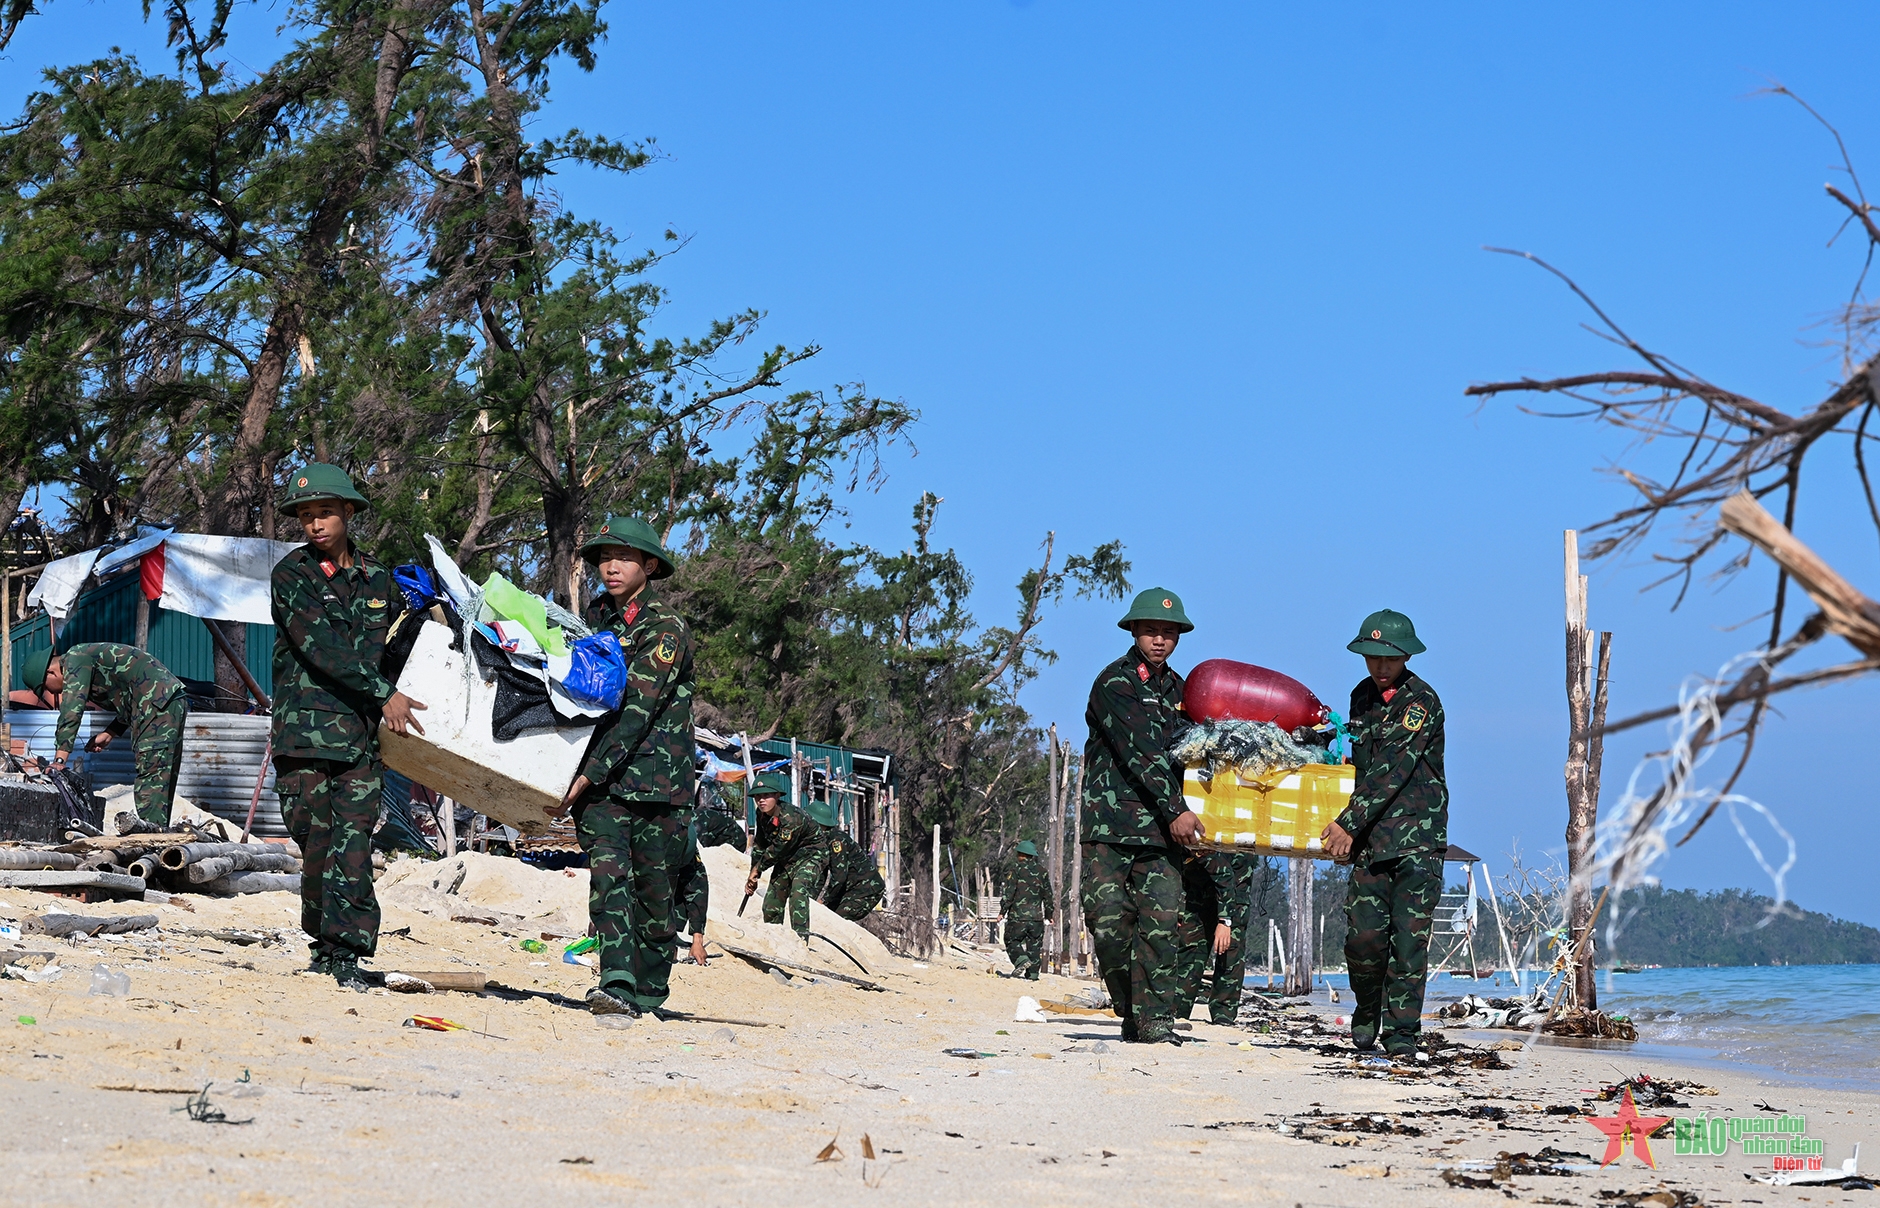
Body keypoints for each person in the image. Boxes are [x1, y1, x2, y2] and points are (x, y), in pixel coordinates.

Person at [270, 463, 427, 989]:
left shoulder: (379, 578)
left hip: (360, 738)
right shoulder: (292, 576)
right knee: (317, 841)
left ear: (349, 513)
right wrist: (386, 695)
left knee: (354, 845)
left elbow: (391, 651)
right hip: (307, 734)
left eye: (325, 513)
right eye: (306, 516)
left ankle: (348, 951)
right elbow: (323, 648)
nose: (315, 524)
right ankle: (323, 942)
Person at [551, 515, 696, 1018]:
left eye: (624, 557)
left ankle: (649, 991)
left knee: (656, 897)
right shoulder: (588, 624)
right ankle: (615, 982)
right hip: (602, 788)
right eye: (602, 558)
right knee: (609, 878)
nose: (610, 566)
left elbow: (638, 708)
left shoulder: (666, 629)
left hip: (658, 783)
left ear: (650, 565)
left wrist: (586, 773)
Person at [1319, 609, 1448, 1058]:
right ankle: (1367, 1009)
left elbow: (1393, 769)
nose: (1379, 665)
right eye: (1372, 656)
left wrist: (1346, 823)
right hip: (1371, 842)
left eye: (1389, 657)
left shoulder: (1421, 703)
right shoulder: (1361, 697)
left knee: (1409, 942)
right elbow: (1358, 769)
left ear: (1407, 655)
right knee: (1363, 939)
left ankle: (1401, 1034)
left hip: (1416, 840)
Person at [1080, 587, 1205, 1045]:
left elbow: (1202, 748)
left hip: (1161, 835)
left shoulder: (1184, 692)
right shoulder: (1114, 683)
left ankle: (1155, 1024)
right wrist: (1176, 808)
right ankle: (1128, 1006)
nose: (1160, 640)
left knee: (1160, 926)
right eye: (1151, 630)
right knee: (1109, 921)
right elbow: (1141, 752)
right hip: (1110, 827)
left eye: (1169, 633)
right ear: (1134, 631)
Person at [28, 643, 187, 828]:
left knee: (151, 775)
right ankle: (160, 835)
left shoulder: (75, 659)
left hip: (156, 703)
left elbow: (71, 710)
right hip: (167, 700)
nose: (56, 692)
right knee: (161, 775)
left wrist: (60, 761)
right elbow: (129, 695)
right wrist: (110, 732)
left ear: (51, 673)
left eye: (48, 689)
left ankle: (152, 842)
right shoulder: (86, 658)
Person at [1172, 850, 1257, 1025]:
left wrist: (1225, 921)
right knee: (1189, 949)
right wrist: (1178, 912)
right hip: (1195, 893)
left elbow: (1224, 875)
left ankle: (1223, 1015)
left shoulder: (1199, 842)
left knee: (1229, 951)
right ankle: (1177, 1010)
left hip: (1234, 890)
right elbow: (1175, 875)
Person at [744, 773, 829, 939]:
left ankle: (800, 939)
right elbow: (760, 844)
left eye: (766, 796)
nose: (761, 800)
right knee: (772, 901)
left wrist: (758, 868)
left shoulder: (790, 818)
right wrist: (753, 874)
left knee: (798, 890)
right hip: (789, 857)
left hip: (812, 855)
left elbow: (777, 849)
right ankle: (774, 937)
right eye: (758, 796)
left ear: (777, 796)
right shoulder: (761, 814)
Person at [670, 804, 746, 967]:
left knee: (679, 892)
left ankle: (670, 940)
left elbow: (697, 888)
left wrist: (698, 939)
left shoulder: (686, 843)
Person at [1000, 839, 1051, 980]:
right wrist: (1049, 914)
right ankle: (1033, 975)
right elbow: (1048, 895)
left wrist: (1002, 911)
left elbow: (1008, 894)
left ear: (1022, 855)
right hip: (1037, 918)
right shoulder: (1043, 872)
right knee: (1034, 946)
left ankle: (1021, 960)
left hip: (1018, 916)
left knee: (1011, 940)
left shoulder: (1015, 870)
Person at [818, 820, 886, 922]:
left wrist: (823, 900)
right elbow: (821, 874)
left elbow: (839, 877)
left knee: (837, 919)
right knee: (825, 915)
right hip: (849, 888)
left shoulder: (836, 841)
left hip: (866, 888)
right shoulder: (821, 840)